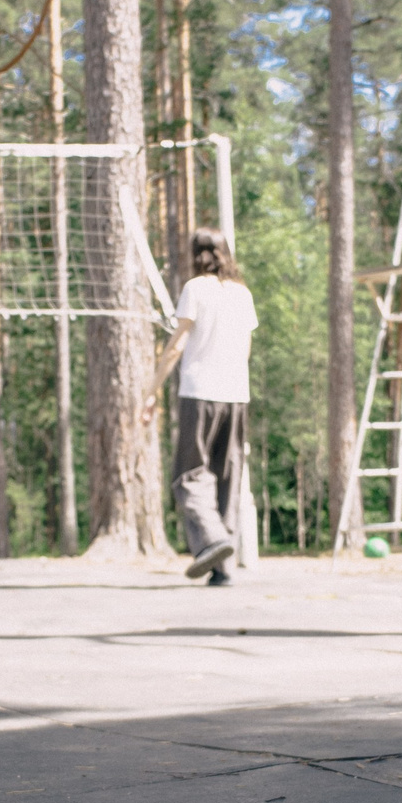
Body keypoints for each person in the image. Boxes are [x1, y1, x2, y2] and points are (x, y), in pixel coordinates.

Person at [151, 229, 258, 585]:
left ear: (194, 255)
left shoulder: (195, 289)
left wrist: (152, 391)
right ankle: (222, 568)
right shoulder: (243, 294)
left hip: (200, 392)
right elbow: (245, 349)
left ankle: (214, 540)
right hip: (237, 395)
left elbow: (177, 345)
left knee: (189, 476)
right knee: (226, 475)